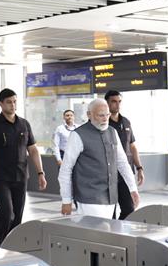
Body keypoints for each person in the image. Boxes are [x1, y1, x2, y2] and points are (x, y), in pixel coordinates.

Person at [0, 89, 46, 247]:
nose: (13, 105)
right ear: (1, 104)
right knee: (6, 214)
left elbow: (33, 150)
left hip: (21, 177)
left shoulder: (24, 124)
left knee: (17, 218)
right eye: (9, 102)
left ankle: (12, 247)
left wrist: (41, 173)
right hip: (0, 178)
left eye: (15, 101)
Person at [58, 98, 139, 219]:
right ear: (89, 115)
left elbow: (122, 163)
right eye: (101, 115)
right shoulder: (77, 135)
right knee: (94, 235)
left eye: (107, 114)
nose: (105, 118)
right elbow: (66, 169)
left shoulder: (113, 132)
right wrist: (66, 200)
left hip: (111, 198)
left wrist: (133, 189)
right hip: (88, 199)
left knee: (108, 234)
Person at [105, 90, 144, 219]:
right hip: (108, 173)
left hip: (125, 173)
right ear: (107, 103)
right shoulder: (102, 124)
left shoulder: (126, 122)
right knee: (110, 211)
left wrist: (139, 168)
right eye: (114, 101)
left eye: (119, 101)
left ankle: (119, 232)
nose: (117, 105)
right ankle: (111, 235)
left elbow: (132, 146)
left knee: (129, 209)